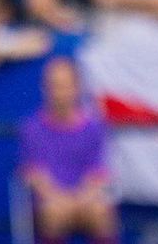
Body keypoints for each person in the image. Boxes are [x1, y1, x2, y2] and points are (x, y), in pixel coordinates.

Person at [18, 56, 118, 244]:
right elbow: (32, 173)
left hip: (86, 199)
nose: (59, 92)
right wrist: (59, 199)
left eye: (64, 85)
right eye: (53, 85)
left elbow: (99, 172)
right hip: (50, 201)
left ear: (77, 87)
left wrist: (81, 199)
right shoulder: (31, 128)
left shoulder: (94, 127)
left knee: (100, 212)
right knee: (53, 213)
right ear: (44, 88)